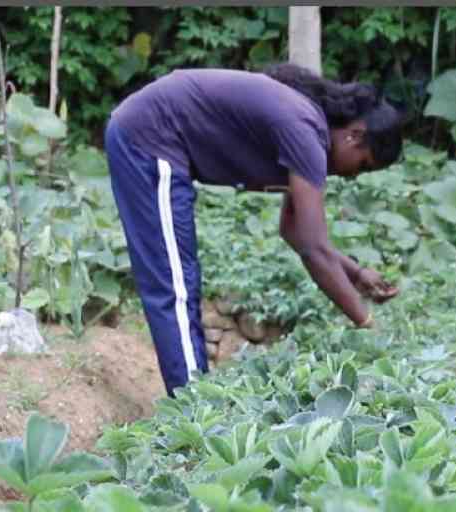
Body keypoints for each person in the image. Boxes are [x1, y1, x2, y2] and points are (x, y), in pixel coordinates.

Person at [104, 63, 404, 396]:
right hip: (149, 137)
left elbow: (296, 232)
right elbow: (313, 249)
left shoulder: (307, 128)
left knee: (180, 279)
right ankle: (193, 411)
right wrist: (367, 324)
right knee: (173, 284)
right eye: (362, 166)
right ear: (355, 135)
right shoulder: (304, 130)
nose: (352, 175)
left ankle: (195, 402)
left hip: (157, 138)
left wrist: (356, 273)